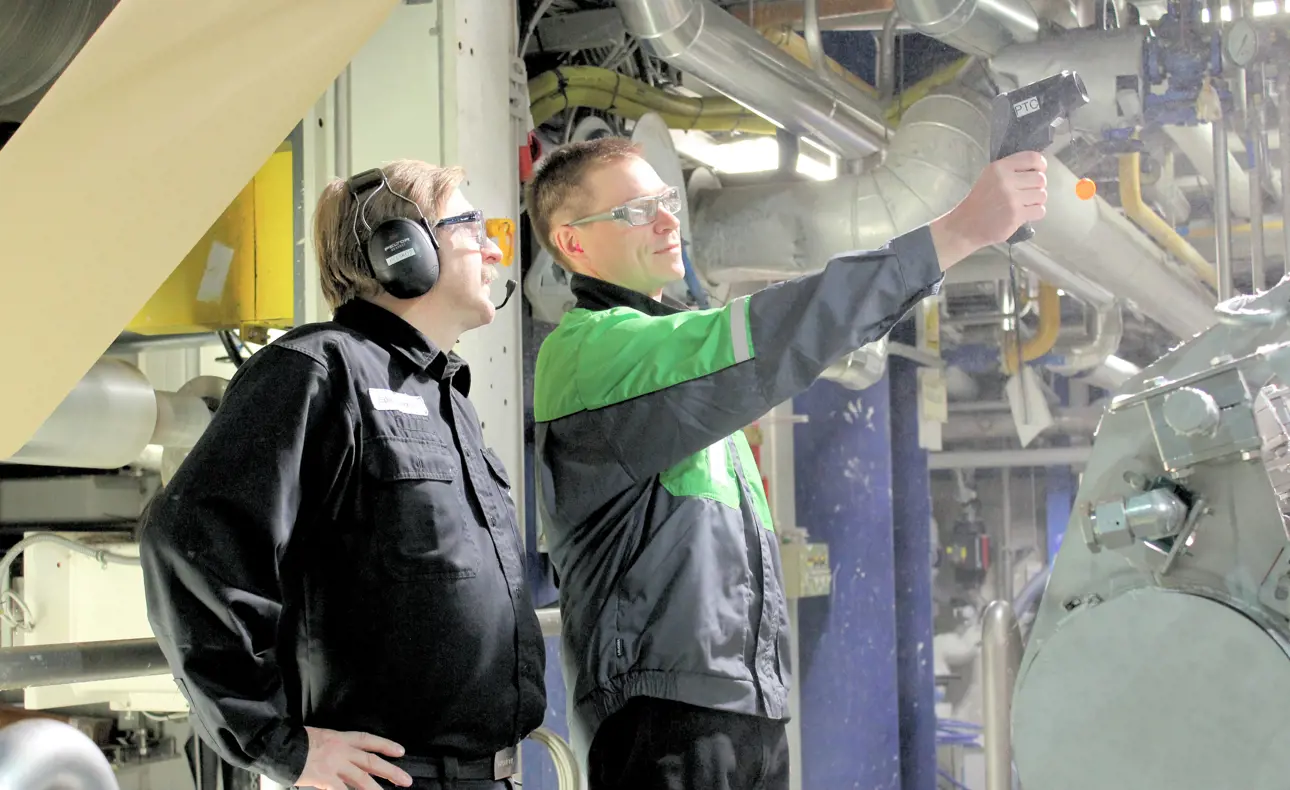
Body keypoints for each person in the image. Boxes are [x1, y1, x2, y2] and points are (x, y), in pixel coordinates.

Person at [525, 137, 1049, 789]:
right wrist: (954, 234)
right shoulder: (595, 353)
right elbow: (771, 332)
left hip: (740, 709)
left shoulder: (667, 366)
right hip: (662, 720)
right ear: (573, 244)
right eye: (636, 211)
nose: (668, 220)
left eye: (665, 200)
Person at [141, 160, 546, 790]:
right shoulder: (316, 370)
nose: (494, 247)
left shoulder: (447, 399)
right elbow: (192, 539)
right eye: (470, 226)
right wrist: (275, 742)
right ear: (402, 248)